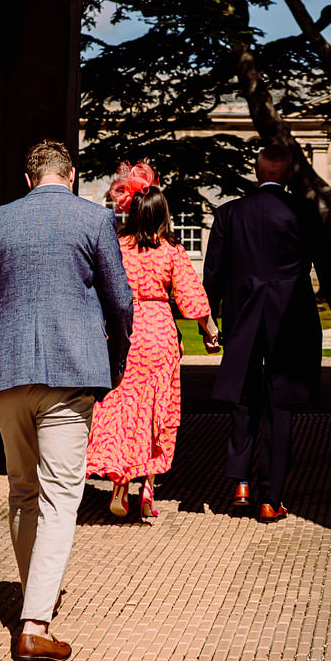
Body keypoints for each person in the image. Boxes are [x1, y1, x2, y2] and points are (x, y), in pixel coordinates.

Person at [0, 140, 133, 661]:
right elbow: (119, 300)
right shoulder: (94, 221)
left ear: (28, 180)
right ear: (70, 176)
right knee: (61, 495)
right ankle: (34, 623)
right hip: (72, 371)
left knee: (23, 490)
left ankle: (34, 599)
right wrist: (116, 359)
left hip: (6, 374)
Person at [203, 143, 331, 523]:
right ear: (287, 175)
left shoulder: (230, 213)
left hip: (243, 314)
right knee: (279, 403)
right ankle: (271, 496)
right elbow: (327, 266)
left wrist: (209, 320)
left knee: (243, 396)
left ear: (257, 172)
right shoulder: (303, 213)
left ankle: (240, 483)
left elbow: (214, 272)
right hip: (291, 316)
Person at [85, 162, 215, 520]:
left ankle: (119, 485)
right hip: (159, 334)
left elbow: (101, 290)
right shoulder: (171, 249)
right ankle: (149, 488)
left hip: (125, 333)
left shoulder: (117, 246)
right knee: (159, 409)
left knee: (121, 408)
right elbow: (192, 299)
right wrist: (210, 331)